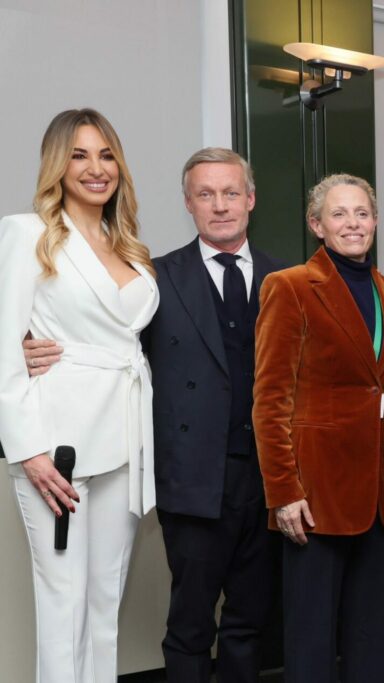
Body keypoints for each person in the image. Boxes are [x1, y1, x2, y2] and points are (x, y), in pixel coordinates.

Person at [25, 147, 284, 682]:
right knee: (190, 625)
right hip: (191, 480)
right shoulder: (151, 278)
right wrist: (28, 347)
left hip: (268, 478)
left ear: (251, 200)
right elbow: (103, 343)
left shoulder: (287, 279)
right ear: (188, 203)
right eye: (205, 194)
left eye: (230, 193)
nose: (220, 205)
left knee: (250, 623)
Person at [0, 108, 159, 682]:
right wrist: (29, 451)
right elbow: (4, 349)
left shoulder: (129, 246)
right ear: (57, 165)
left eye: (107, 155)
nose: (97, 168)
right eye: (80, 155)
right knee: (62, 604)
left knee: (104, 603)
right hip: (57, 445)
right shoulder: (28, 233)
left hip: (126, 440)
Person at [253, 173, 384, 682]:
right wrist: (283, 491)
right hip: (315, 493)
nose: (353, 224)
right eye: (339, 214)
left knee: (371, 632)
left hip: (382, 489)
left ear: (376, 221)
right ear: (316, 225)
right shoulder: (290, 286)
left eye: (362, 213)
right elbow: (270, 401)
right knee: (311, 637)